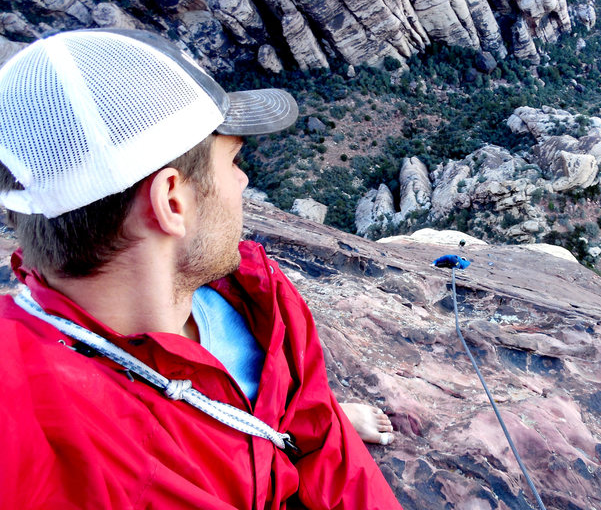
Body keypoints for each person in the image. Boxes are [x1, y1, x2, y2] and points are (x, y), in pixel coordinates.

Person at [0, 28, 403, 509]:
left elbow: (322, 437)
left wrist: (314, 422)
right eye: (232, 158)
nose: (243, 178)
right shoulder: (26, 412)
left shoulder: (258, 298)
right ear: (172, 201)